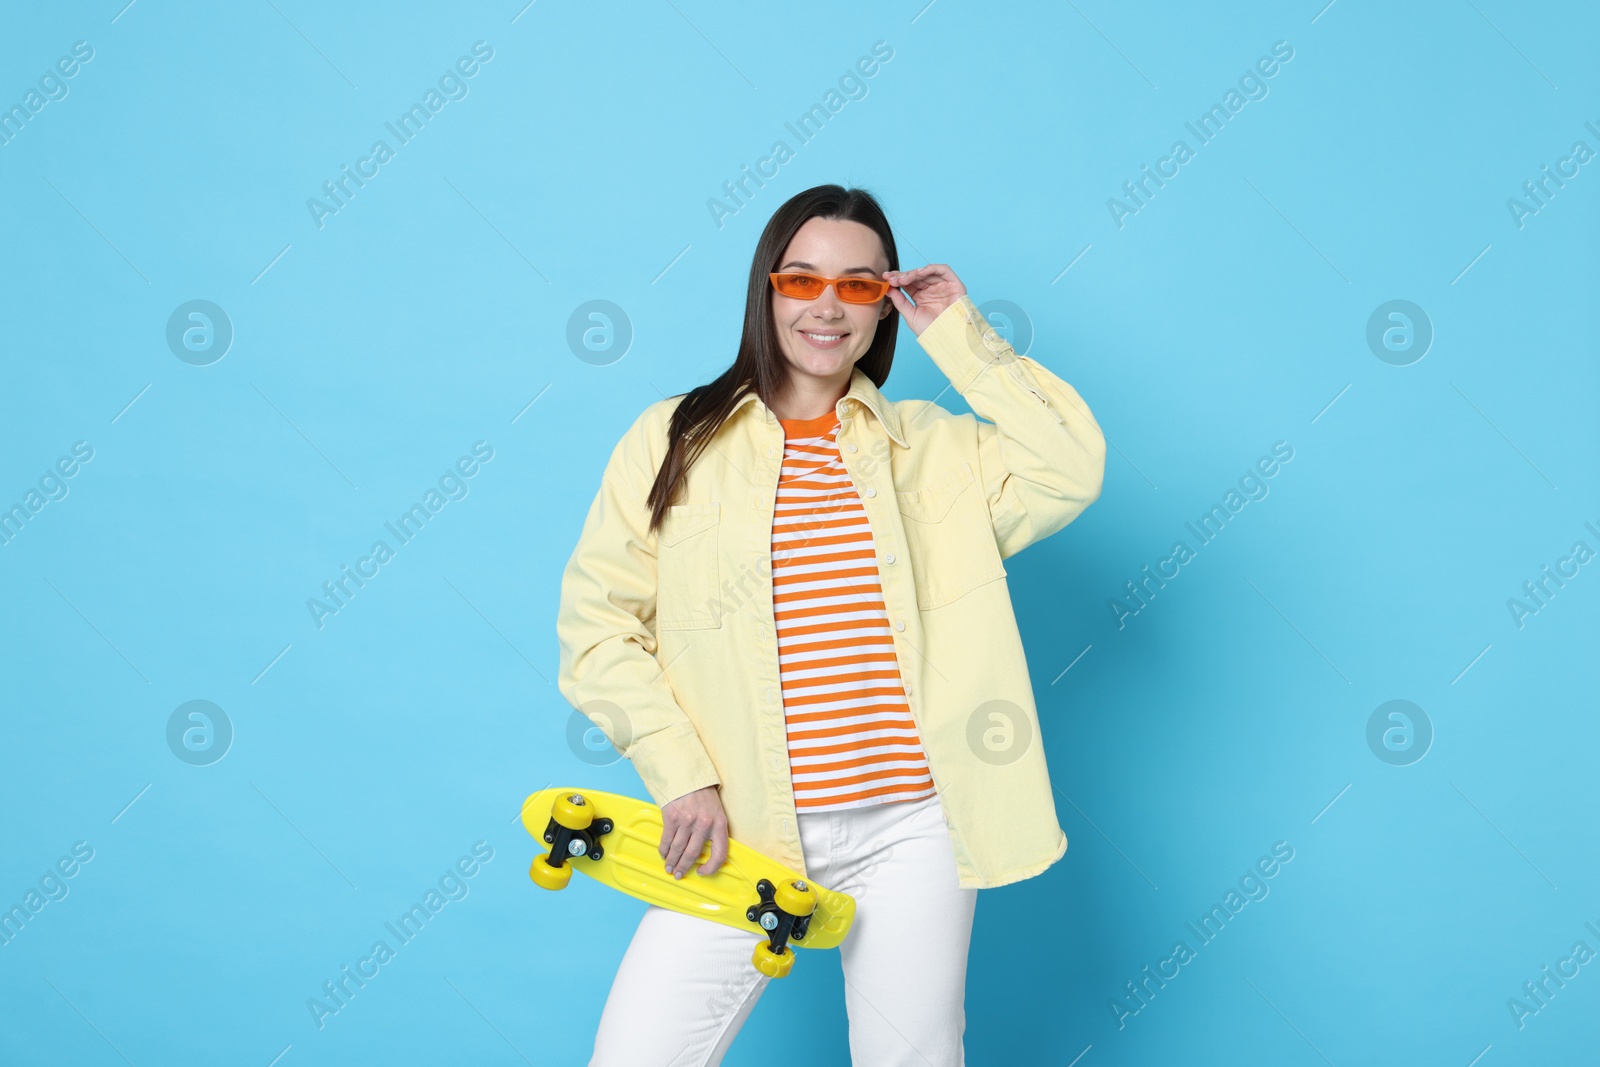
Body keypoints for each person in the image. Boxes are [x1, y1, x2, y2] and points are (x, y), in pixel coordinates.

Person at [556, 184, 1107, 1066]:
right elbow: (597, 626)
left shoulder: (933, 447)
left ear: (882, 304)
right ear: (765, 289)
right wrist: (682, 774)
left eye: (857, 285)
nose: (825, 305)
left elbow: (1071, 464)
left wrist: (958, 333)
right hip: (742, 826)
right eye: (801, 278)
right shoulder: (672, 438)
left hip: (916, 829)